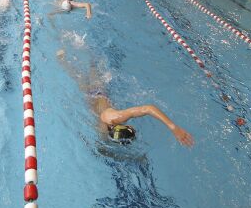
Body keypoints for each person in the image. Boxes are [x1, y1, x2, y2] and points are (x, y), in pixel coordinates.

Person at [57, 51, 193, 146]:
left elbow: (148, 108)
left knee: (91, 68)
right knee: (77, 76)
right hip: (90, 98)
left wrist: (173, 127)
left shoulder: (115, 117)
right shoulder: (103, 131)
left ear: (125, 126)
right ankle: (63, 60)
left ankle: (67, 58)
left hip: (97, 92)